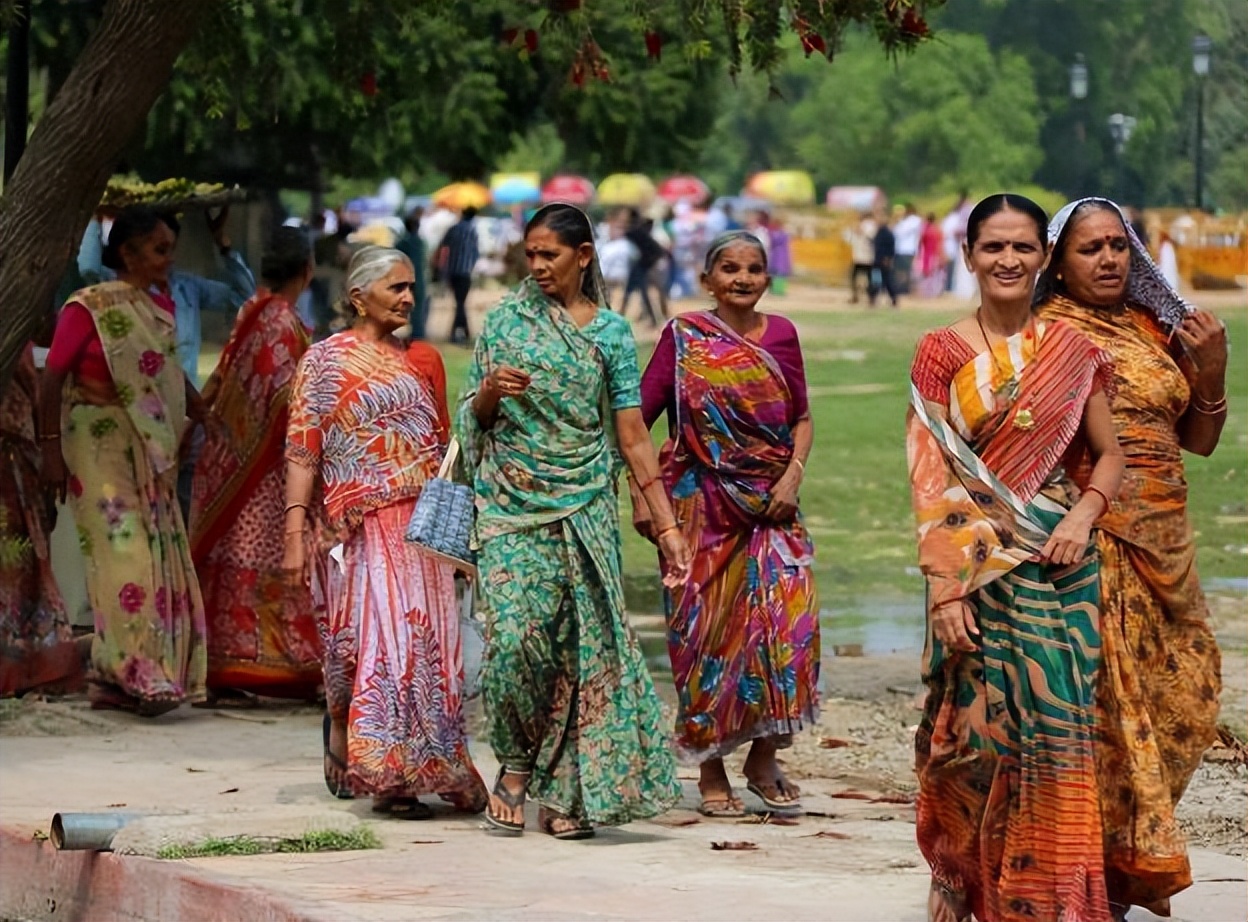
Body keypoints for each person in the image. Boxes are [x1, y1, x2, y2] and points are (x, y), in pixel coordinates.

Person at [907, 194, 1125, 922]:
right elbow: (929, 473)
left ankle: (1051, 895)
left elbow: (1109, 460)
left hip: (1060, 570)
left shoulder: (1073, 352)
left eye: (1023, 248)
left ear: (1044, 258)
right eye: (993, 247)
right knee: (969, 739)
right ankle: (957, 869)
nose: (1008, 261)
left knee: (1059, 734)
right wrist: (945, 589)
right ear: (968, 255)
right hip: (970, 570)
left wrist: (1084, 518)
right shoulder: (941, 350)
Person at [457, 202, 691, 840]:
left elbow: (632, 433)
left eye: (549, 255)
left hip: (585, 505)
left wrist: (666, 525)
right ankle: (515, 758)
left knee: (580, 648)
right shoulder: (504, 322)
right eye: (529, 254)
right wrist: (488, 394)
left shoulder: (610, 333)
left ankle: (567, 793)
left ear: (582, 257)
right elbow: (470, 418)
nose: (536, 266)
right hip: (509, 506)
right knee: (514, 642)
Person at [1034, 197, 1228, 920]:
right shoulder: (1047, 332)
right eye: (1091, 249)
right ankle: (1101, 877)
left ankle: (1116, 863)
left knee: (1190, 699)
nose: (1109, 258)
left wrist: (1210, 371)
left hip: (1167, 542)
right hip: (1096, 538)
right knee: (1111, 720)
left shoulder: (1150, 327)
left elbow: (1198, 443)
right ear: (1058, 262)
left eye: (1119, 245)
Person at [283, 246, 487, 817]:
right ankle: (385, 770)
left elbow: (444, 445)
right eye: (395, 287)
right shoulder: (324, 363)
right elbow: (303, 448)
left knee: (426, 647)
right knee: (370, 646)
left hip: (421, 528)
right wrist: (294, 527)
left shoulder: (423, 358)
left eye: (410, 288)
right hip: (357, 530)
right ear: (357, 297)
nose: (407, 298)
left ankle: (436, 763)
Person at [638, 230, 818, 817]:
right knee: (707, 637)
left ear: (768, 277)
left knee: (787, 630)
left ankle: (764, 755)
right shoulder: (685, 336)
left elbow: (802, 418)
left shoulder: (784, 335)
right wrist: (645, 498)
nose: (742, 278)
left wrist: (792, 477)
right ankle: (710, 765)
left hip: (773, 508)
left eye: (754, 268)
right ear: (708, 279)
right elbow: (638, 419)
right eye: (729, 268)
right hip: (702, 509)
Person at [39, 206, 210, 715]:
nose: (168, 259)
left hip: (146, 449)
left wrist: (202, 410)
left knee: (153, 562)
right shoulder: (89, 306)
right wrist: (50, 449)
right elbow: (52, 378)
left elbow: (165, 377)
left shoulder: (157, 308)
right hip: (93, 443)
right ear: (128, 251)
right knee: (124, 556)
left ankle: (115, 678)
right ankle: (137, 673)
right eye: (160, 249)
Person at [189, 228, 322, 704]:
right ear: (307, 272)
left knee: (234, 561)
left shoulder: (253, 310)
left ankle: (228, 666)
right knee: (278, 558)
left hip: (229, 460)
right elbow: (289, 401)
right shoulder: (283, 321)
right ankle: (285, 666)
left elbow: (227, 377)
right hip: (265, 472)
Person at [0, 343, 79, 697]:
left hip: (13, 462)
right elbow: (35, 396)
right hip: (12, 462)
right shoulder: (13, 335)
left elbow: (34, 397)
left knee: (20, 564)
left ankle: (23, 659)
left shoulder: (15, 331)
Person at [439, 206, 479, 344]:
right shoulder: (473, 231)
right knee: (461, 302)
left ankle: (458, 331)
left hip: (453, 270)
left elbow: (443, 245)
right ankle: (463, 331)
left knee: (459, 302)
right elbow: (476, 253)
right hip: (465, 272)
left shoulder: (454, 228)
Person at [621, 208, 668, 327]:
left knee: (638, 291)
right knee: (648, 291)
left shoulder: (634, 231)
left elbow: (627, 233)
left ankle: (653, 318)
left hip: (646, 264)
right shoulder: (641, 229)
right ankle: (656, 317)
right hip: (647, 263)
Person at [395, 209, 430, 340]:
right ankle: (419, 331)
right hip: (420, 278)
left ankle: (416, 331)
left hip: (406, 279)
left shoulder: (402, 243)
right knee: (420, 306)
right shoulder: (421, 242)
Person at [846, 212, 877, 304]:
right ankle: (861, 296)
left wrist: (859, 230)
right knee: (858, 277)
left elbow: (870, 236)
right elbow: (849, 238)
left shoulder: (870, 226)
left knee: (864, 278)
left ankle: (869, 297)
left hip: (866, 256)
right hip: (860, 256)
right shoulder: (864, 226)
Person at [893, 203, 924, 294]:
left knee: (905, 271)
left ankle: (905, 289)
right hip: (901, 249)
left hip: (907, 249)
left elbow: (900, 233)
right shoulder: (904, 221)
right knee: (902, 271)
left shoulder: (914, 221)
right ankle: (902, 288)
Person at [869, 217, 898, 308]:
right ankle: (875, 298)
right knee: (879, 280)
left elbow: (890, 248)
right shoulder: (882, 233)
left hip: (882, 261)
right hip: (879, 261)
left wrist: (888, 259)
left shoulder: (886, 234)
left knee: (882, 281)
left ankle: (891, 298)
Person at [916, 213, 946, 298]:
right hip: (935, 253)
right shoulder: (937, 229)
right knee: (935, 273)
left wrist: (918, 254)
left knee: (928, 273)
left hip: (928, 253)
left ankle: (928, 292)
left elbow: (920, 242)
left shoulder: (926, 229)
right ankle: (934, 292)